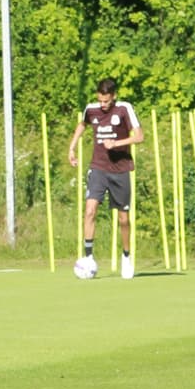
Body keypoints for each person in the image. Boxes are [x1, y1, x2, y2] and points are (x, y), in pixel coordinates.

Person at [68, 78, 143, 278]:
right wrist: (72, 147)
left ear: (114, 97)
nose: (102, 105)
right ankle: (89, 257)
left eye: (106, 101)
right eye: (100, 101)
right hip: (98, 168)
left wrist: (117, 144)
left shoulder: (125, 109)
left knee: (123, 219)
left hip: (120, 170)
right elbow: (82, 125)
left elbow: (139, 136)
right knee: (90, 209)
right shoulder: (91, 109)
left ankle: (126, 257)